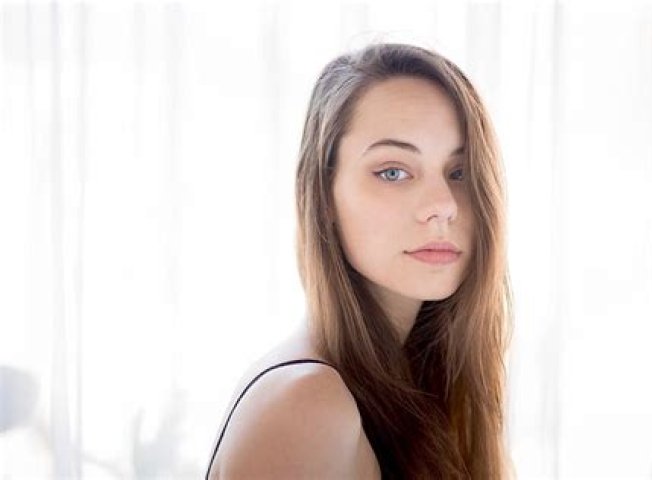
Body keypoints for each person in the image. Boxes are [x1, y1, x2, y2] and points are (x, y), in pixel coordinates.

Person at [205, 42, 514, 479]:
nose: (443, 205)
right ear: (324, 196)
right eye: (393, 172)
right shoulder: (306, 406)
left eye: (459, 172)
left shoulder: (414, 385)